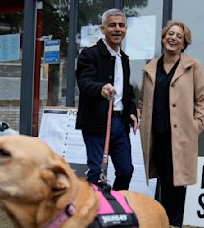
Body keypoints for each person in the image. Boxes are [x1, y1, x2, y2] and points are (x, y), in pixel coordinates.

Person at [139, 21, 204, 227]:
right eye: (170, 34)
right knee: (162, 179)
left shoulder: (193, 66)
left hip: (181, 136)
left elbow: (203, 101)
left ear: (184, 43)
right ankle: (163, 221)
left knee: (177, 185)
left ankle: (175, 223)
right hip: (157, 134)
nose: (173, 38)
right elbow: (144, 99)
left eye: (179, 36)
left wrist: (196, 125)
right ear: (163, 38)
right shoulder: (150, 68)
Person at [75, 8, 138, 191]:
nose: (117, 29)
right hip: (95, 123)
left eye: (121, 25)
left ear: (125, 29)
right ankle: (94, 212)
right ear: (103, 29)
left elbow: (127, 90)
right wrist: (100, 88)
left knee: (126, 170)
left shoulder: (124, 58)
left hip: (119, 123)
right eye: (112, 25)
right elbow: (85, 82)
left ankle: (114, 205)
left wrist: (132, 112)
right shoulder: (89, 54)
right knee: (97, 172)